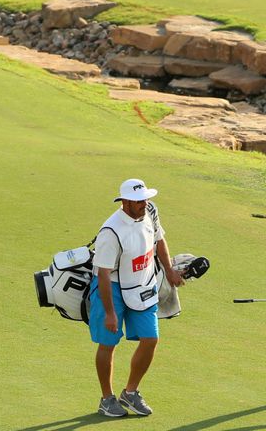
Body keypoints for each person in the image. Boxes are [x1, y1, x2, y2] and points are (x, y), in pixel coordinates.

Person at [89, 178, 184, 417]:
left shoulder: (150, 211)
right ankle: (106, 398)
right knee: (108, 344)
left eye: (146, 198)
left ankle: (130, 393)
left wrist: (170, 269)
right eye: (139, 200)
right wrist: (110, 313)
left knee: (150, 339)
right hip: (112, 289)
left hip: (143, 285)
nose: (145, 203)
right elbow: (102, 274)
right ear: (126, 202)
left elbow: (159, 240)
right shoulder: (111, 232)